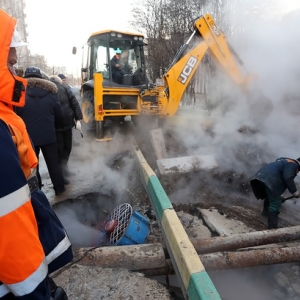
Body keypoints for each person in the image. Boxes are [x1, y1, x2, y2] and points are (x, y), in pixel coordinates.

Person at [0, 9, 73, 299]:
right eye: (8, 53)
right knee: (53, 168)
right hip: (20, 285)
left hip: (35, 138)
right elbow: (10, 223)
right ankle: (62, 185)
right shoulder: (53, 93)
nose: (15, 59)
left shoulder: (17, 103)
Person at [15, 66, 67, 195]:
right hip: (49, 135)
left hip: (29, 137)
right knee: (54, 164)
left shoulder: (20, 93)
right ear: (41, 77)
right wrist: (54, 128)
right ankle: (59, 189)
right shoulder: (51, 93)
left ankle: (37, 192)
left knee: (33, 166)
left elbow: (16, 115)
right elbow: (59, 114)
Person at [250, 157, 300, 229]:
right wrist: (294, 192)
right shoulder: (293, 165)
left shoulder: (286, 162)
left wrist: (279, 195)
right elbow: (288, 177)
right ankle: (272, 229)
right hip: (269, 180)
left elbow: (279, 177)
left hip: (260, 177)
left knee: (269, 195)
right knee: (275, 203)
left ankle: (266, 213)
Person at [49, 75, 83, 178]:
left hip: (67, 124)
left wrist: (78, 117)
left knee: (67, 148)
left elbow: (74, 102)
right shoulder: (48, 90)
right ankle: (61, 174)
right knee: (61, 149)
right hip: (57, 127)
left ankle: (65, 169)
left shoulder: (65, 88)